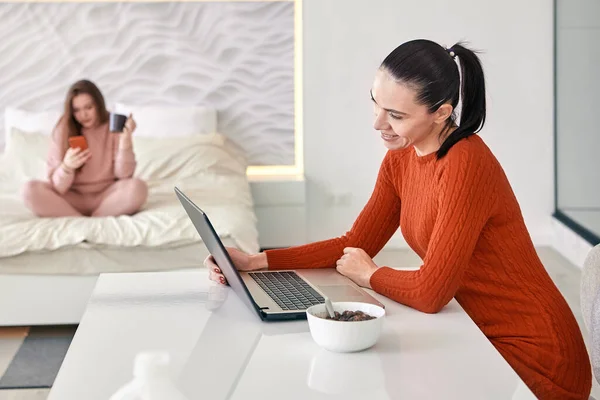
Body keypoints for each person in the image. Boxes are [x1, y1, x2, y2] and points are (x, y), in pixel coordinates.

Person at [206, 39, 592, 399]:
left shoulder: (466, 163)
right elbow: (353, 244)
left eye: (395, 115)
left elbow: (430, 293)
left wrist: (370, 274)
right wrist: (258, 262)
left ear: (441, 113)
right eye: (375, 104)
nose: (378, 123)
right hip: (475, 332)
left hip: (536, 357)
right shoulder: (401, 157)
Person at [22, 80, 147, 217]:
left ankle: (94, 219)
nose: (83, 115)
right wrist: (66, 167)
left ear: (99, 105)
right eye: (77, 110)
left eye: (88, 107)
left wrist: (125, 142)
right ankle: (79, 220)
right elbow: (58, 187)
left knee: (138, 188)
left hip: (107, 197)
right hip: (71, 198)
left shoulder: (112, 124)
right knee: (29, 190)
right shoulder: (63, 128)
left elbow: (124, 175)